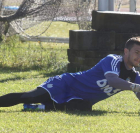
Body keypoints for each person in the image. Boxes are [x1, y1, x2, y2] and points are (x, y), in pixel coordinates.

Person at [1, 37, 140, 112]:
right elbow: (113, 81)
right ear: (126, 51)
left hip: (80, 99)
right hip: (65, 84)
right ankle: (33, 103)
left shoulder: (134, 75)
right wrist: (136, 87)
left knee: (83, 108)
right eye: (137, 52)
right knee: (30, 96)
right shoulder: (113, 60)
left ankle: (39, 108)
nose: (139, 56)